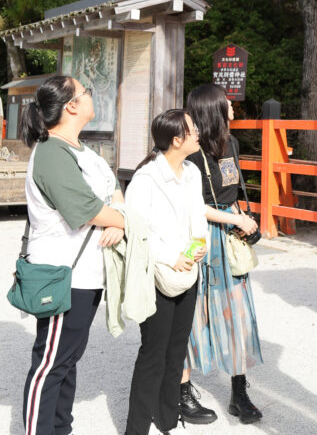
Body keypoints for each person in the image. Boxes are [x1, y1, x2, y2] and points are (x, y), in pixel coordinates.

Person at [20, 75, 125, 435]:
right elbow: (86, 209)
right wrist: (122, 220)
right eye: (86, 92)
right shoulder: (51, 151)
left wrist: (119, 217)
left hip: (87, 275)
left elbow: (115, 194)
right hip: (63, 274)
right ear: (72, 106)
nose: (91, 96)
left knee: (67, 361)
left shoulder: (84, 151)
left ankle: (60, 429)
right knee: (50, 365)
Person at [181, 84, 263, 426]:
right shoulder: (187, 153)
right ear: (213, 110)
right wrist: (234, 218)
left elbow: (231, 193)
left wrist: (245, 222)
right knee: (189, 311)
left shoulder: (232, 145)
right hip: (197, 235)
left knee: (237, 313)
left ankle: (239, 391)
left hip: (229, 237)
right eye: (226, 105)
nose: (233, 108)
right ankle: (181, 391)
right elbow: (192, 205)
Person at [124, 111, 208, 435]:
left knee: (177, 351)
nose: (197, 133)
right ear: (177, 139)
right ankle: (136, 429)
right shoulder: (145, 179)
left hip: (188, 271)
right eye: (192, 129)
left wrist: (198, 246)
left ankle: (168, 420)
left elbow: (197, 218)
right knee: (153, 354)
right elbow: (136, 232)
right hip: (157, 274)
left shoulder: (192, 172)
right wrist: (172, 257)